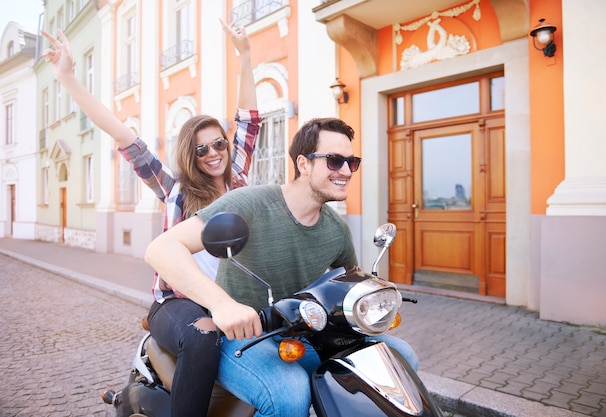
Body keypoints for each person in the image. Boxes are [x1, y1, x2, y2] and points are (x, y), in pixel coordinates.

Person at [42, 19, 262, 417]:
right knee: (203, 337)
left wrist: (245, 55)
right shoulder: (174, 188)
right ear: (188, 155)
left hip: (230, 299)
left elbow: (249, 121)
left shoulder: (241, 185)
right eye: (200, 149)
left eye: (218, 144)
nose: (212, 153)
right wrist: (69, 78)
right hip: (177, 304)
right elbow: (123, 136)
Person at [144, 117, 420, 417]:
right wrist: (222, 304)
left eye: (351, 162)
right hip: (244, 339)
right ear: (303, 164)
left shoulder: (337, 229)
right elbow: (161, 249)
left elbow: (347, 285)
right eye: (334, 161)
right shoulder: (250, 203)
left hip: (305, 333)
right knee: (288, 393)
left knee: (400, 356)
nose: (345, 171)